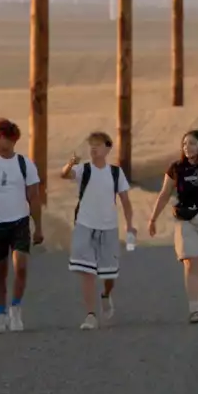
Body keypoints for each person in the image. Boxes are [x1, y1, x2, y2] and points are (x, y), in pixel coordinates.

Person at [147, 129, 198, 323]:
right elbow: (165, 193)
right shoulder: (177, 168)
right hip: (185, 220)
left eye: (191, 143)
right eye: (184, 144)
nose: (187, 147)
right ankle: (194, 308)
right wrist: (153, 219)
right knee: (191, 262)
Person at [0, 118, 43, 333]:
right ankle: (1, 315)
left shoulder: (25, 164)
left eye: (1, 137)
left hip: (19, 221)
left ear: (12, 139)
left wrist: (38, 226)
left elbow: (34, 196)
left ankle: (16, 309)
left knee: (20, 266)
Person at [60, 131, 134, 330]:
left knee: (109, 273)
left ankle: (106, 294)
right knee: (87, 271)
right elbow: (65, 174)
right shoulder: (84, 169)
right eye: (91, 145)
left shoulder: (115, 173)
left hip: (108, 227)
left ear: (108, 149)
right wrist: (70, 163)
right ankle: (90, 315)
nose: (94, 148)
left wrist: (129, 224)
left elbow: (125, 201)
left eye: (98, 145)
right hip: (84, 224)